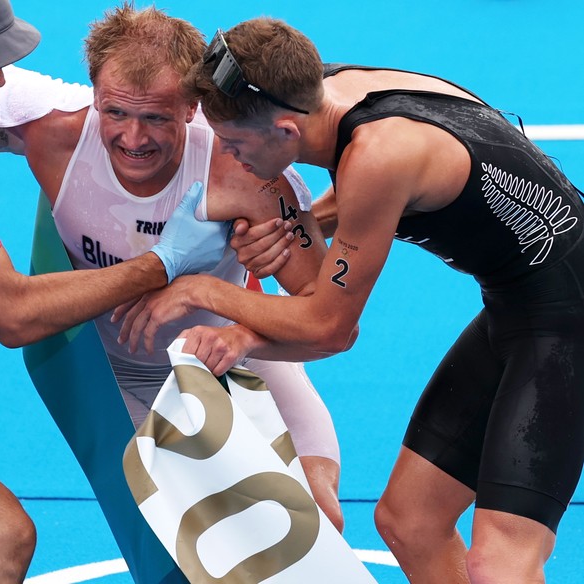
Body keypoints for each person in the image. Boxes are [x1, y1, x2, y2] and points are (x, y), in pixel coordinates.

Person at [0, 2, 347, 573]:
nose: (134, 138)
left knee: (318, 524)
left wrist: (239, 328)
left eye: (159, 119)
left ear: (193, 107)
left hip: (235, 366)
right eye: (116, 113)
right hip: (115, 379)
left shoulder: (243, 171)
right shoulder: (51, 125)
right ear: (90, 94)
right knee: (185, 559)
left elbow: (326, 326)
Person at [114, 16, 584, 584]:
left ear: (286, 132)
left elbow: (329, 329)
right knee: (409, 522)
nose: (233, 161)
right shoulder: (332, 92)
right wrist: (305, 222)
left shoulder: (380, 156)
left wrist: (203, 289)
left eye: (236, 145)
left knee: (501, 563)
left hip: (568, 322)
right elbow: (375, 198)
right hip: (522, 305)